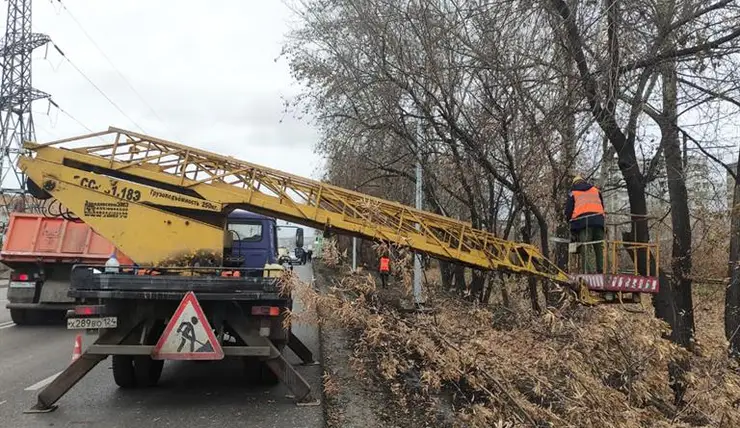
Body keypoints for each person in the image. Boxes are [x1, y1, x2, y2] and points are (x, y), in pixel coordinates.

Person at [564, 175, 606, 275]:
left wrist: (569, 223)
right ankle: (601, 270)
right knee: (599, 247)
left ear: (574, 184)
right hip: (599, 221)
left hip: (583, 222)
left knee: (585, 247)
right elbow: (602, 205)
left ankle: (589, 272)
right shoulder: (595, 190)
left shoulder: (573, 193)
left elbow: (568, 211)